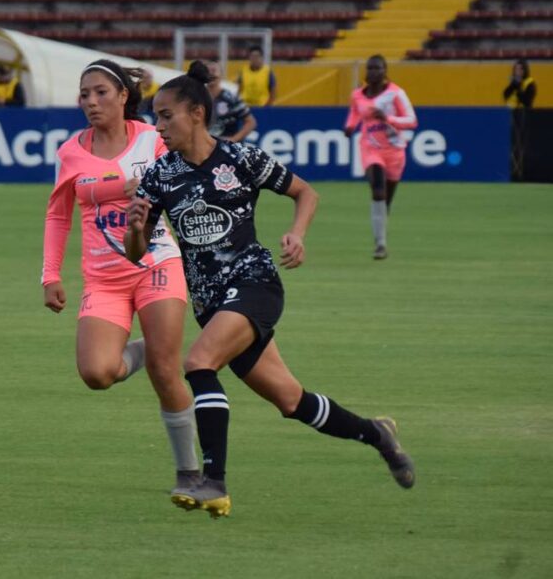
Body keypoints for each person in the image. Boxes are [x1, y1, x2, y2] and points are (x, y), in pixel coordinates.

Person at [124, 61, 415, 518]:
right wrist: (137, 230)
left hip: (255, 283)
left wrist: (297, 234)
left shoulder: (242, 159)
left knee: (199, 363)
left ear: (197, 113)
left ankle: (212, 482)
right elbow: (135, 253)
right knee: (292, 401)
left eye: (166, 115)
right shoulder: (160, 175)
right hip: (212, 305)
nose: (158, 126)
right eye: (155, 116)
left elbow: (307, 193)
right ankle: (378, 434)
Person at [42, 59, 199, 493]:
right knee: (97, 373)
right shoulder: (70, 152)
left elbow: (188, 179)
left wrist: (153, 187)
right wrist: (49, 275)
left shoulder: (152, 140)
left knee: (166, 372)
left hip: (157, 264)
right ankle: (154, 343)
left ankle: (190, 473)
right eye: (84, 94)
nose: (91, 102)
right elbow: (58, 216)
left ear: (123, 96)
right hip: (103, 279)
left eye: (100, 93)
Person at [343, 54, 417, 260]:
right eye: (370, 68)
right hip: (370, 147)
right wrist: (350, 127)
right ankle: (380, 245)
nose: (373, 72)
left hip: (394, 150)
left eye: (378, 68)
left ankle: (380, 233)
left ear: (385, 71)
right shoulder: (358, 94)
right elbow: (355, 113)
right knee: (377, 189)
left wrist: (388, 118)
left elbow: (412, 121)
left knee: (386, 200)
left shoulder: (396, 94)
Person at [205, 61, 257, 143]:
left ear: (221, 75)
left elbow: (251, 122)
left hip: (226, 148)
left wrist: (233, 140)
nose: (211, 74)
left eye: (214, 70)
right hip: (204, 147)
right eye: (207, 71)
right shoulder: (198, 98)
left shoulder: (232, 98)